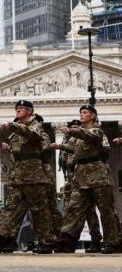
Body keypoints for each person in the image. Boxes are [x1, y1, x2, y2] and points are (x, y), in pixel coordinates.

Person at [55, 105, 121, 254]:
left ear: (92, 115)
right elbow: (75, 149)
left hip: (98, 176)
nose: (82, 115)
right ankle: (66, 240)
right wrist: (61, 146)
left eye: (85, 113)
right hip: (81, 177)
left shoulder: (96, 131)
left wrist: (72, 130)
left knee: (106, 210)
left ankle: (113, 241)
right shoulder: (79, 136)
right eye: (81, 113)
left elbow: (89, 136)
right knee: (74, 208)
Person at [0, 100, 54, 254]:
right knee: (11, 208)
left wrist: (12, 126)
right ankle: (3, 237)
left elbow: (32, 135)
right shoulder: (16, 132)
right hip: (18, 174)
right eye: (17, 108)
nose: (18, 111)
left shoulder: (35, 125)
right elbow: (19, 150)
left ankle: (46, 241)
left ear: (30, 111)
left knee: (39, 209)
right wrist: (10, 149)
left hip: (33, 174)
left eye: (21, 108)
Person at [56, 119, 103, 253]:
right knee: (72, 211)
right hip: (72, 180)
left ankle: (95, 239)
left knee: (90, 212)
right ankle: (68, 240)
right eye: (72, 128)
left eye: (77, 128)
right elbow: (65, 165)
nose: (74, 130)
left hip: (86, 178)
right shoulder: (69, 143)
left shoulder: (86, 140)